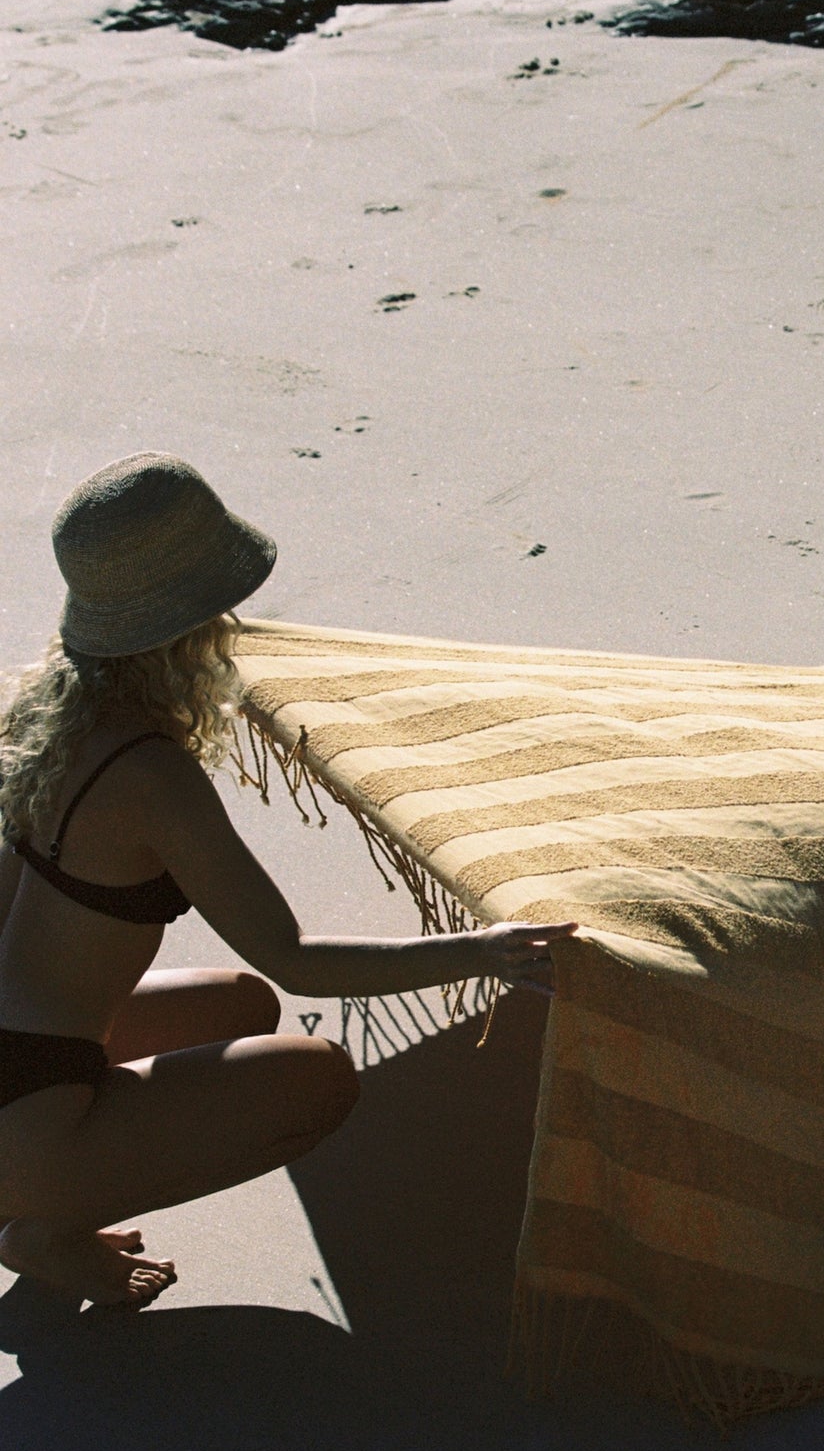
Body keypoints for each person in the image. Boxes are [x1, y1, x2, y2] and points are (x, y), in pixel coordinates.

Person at [0, 453, 575, 1309]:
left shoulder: (40, 714)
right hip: (28, 1108)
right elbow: (297, 960)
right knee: (318, 1080)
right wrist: (481, 951)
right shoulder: (149, 776)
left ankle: (44, 1183)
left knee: (240, 1007)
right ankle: (40, 1227)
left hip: (23, 1054)